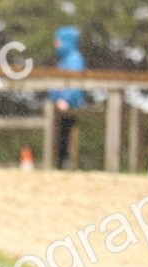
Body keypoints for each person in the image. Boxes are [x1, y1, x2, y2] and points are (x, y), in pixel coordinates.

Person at [49, 25, 85, 169]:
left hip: (68, 107)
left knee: (63, 139)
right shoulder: (64, 60)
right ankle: (59, 165)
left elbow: (74, 84)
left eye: (57, 40)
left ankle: (63, 166)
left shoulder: (74, 59)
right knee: (59, 138)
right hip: (59, 106)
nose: (55, 43)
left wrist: (66, 100)